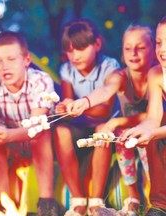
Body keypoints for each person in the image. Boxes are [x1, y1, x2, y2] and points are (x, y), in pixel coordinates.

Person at [66, 23, 156, 215]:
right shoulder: (120, 76)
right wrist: (86, 101)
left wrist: (116, 121)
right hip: (128, 133)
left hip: (154, 132)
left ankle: (153, 198)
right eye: (128, 48)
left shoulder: (157, 75)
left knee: (142, 142)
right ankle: (133, 199)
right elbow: (106, 91)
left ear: (154, 49)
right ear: (122, 52)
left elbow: (153, 115)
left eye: (140, 48)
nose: (133, 53)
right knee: (121, 136)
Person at [0, 31, 59, 216]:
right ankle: (3, 204)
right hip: (13, 144)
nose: (4, 66)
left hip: (44, 143)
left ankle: (46, 204)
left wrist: (8, 135)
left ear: (26, 60)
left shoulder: (40, 81)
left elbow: (37, 126)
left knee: (42, 132)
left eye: (11, 59)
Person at [53, 18, 121, 215]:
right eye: (70, 50)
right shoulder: (67, 70)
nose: (75, 55)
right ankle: (78, 200)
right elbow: (68, 106)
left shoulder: (109, 66)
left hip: (107, 125)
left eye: (81, 48)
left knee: (102, 130)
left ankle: (96, 202)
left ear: (97, 44)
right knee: (61, 131)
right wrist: (64, 108)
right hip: (82, 125)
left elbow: (105, 111)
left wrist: (77, 106)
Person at [119, 16, 166, 216]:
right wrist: (142, 129)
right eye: (158, 43)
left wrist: (154, 132)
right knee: (154, 136)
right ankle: (159, 205)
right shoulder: (156, 73)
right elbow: (154, 116)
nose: (162, 50)